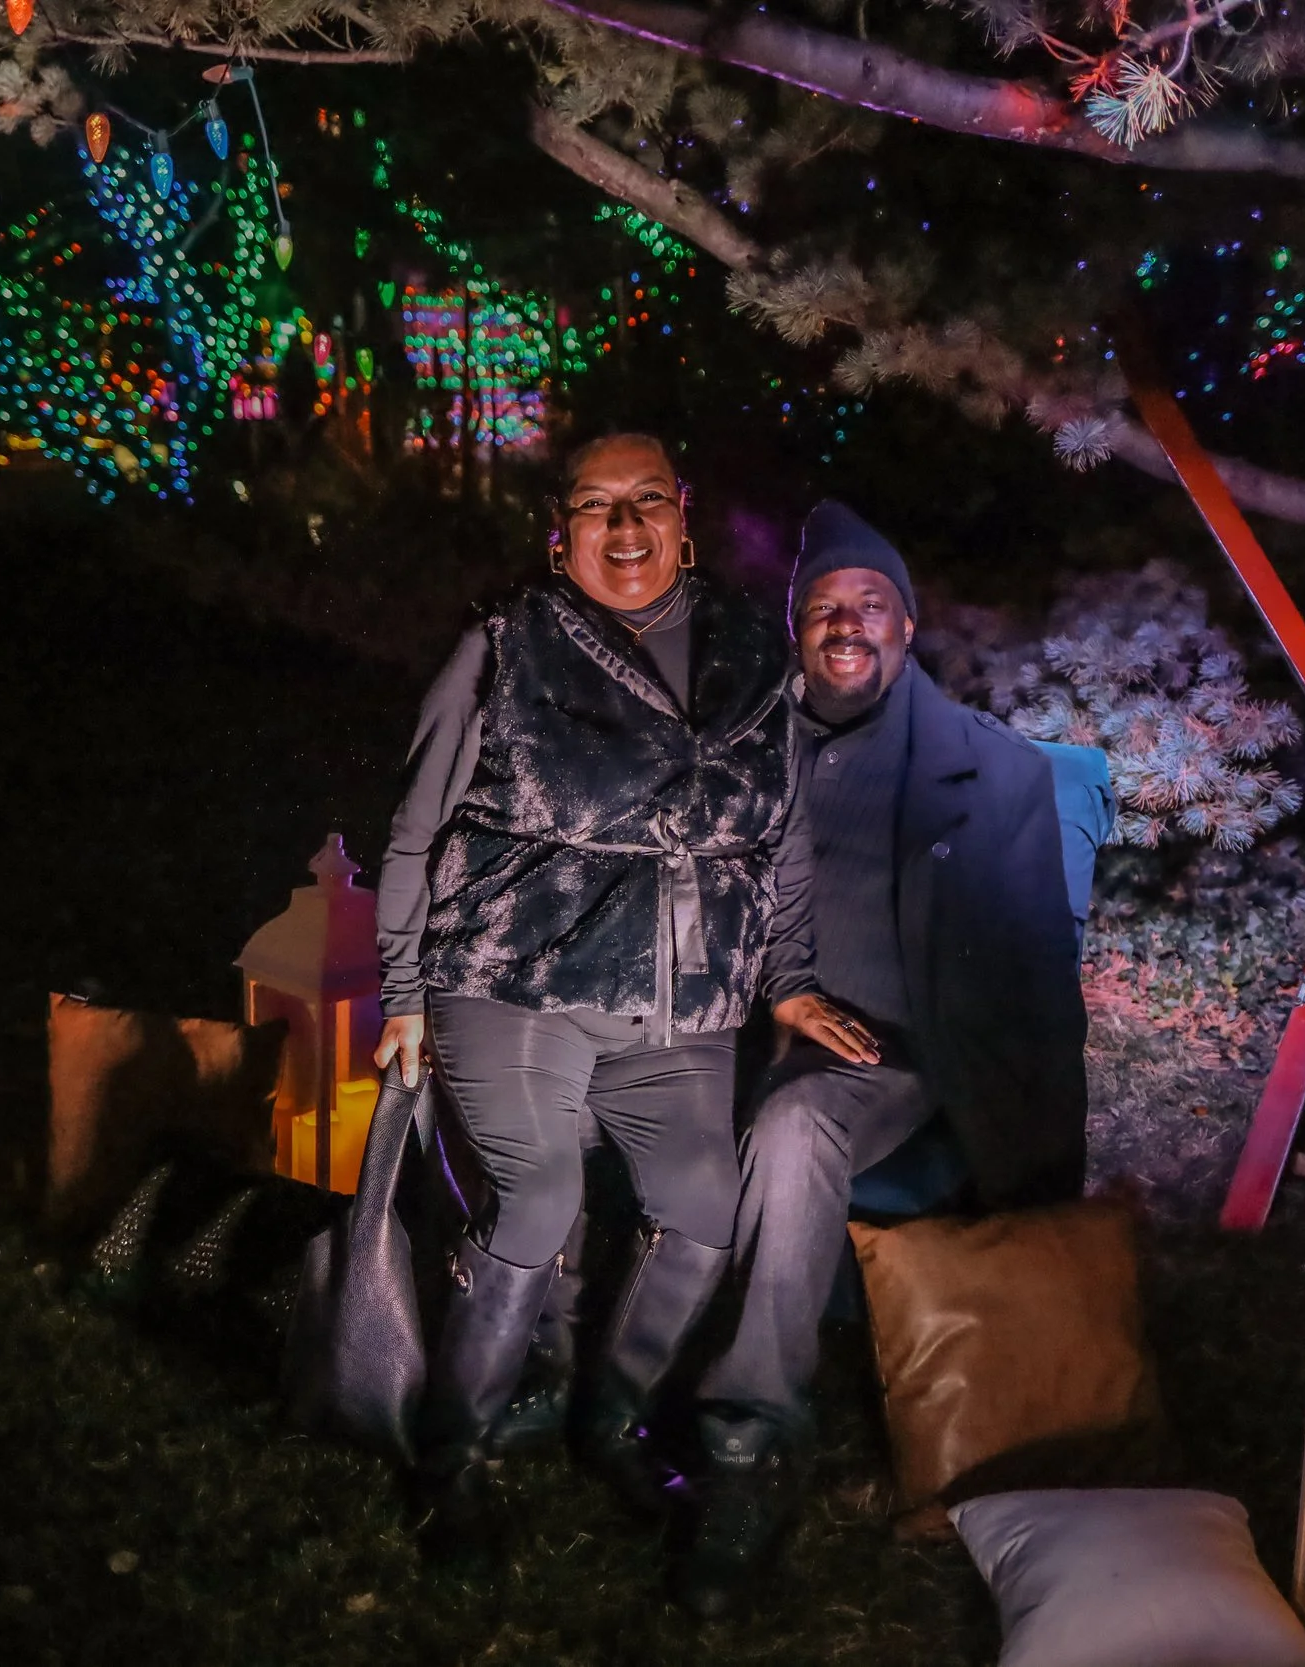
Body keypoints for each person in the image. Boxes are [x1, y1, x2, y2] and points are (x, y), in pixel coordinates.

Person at [369, 434, 848, 1562]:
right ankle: (454, 1454)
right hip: (514, 978)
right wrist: (400, 988)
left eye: (645, 503)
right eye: (595, 507)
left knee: (702, 1200)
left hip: (679, 1007)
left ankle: (605, 1414)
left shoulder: (751, 653)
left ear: (684, 515)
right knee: (534, 1196)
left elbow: (781, 839)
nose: (623, 530)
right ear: (559, 529)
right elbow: (415, 828)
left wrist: (787, 978)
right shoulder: (504, 646)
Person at [676, 500, 1091, 1617]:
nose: (844, 622)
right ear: (794, 631)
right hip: (732, 1024)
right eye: (821, 607)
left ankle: (748, 1442)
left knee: (796, 1124)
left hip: (886, 1054)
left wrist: (1049, 1168)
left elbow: (1034, 975)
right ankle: (551, 1378)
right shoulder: (741, 749)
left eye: (868, 604)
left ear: (907, 627)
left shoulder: (987, 774)